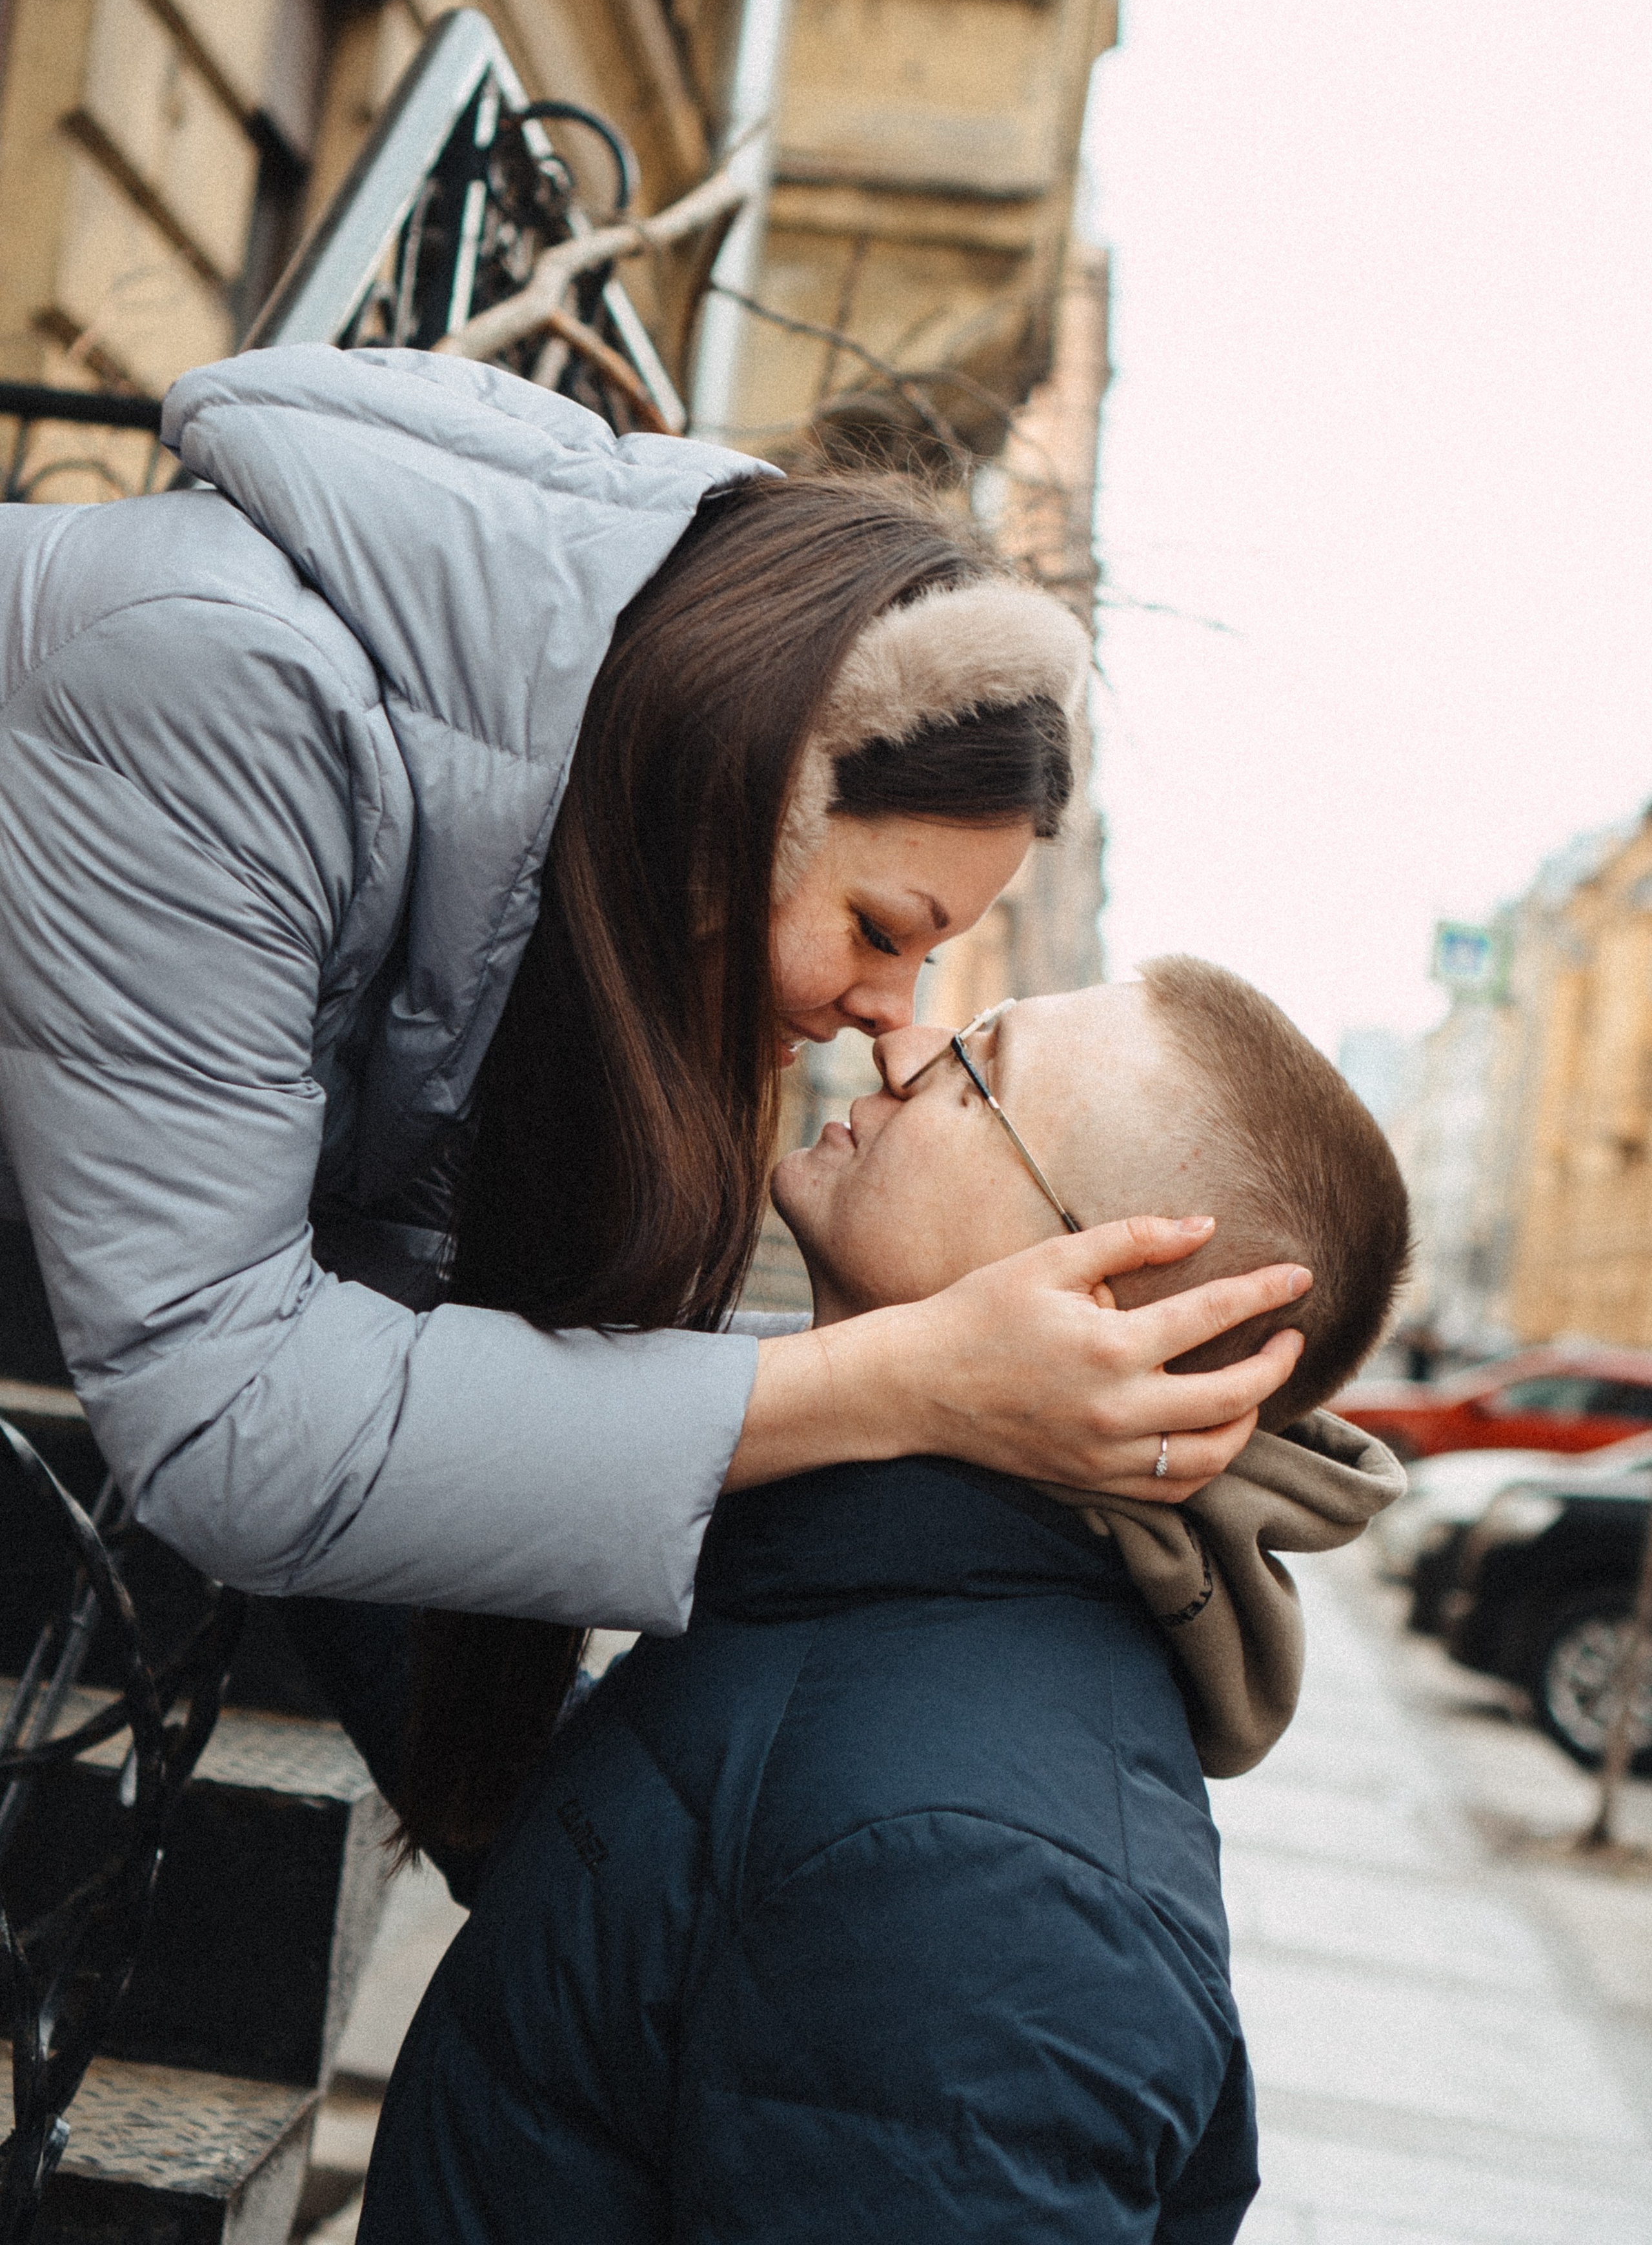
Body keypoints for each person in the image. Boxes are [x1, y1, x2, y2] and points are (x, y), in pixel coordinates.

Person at [0, 345, 1307, 1833]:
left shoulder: (511, 853)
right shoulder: (224, 690)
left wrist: (544, 1874)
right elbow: (232, 1418)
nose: (890, 1024)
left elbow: (407, 1352)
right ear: (734, 783)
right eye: (880, 933)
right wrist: (905, 1379)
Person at [358, 960, 1410, 2243]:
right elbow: (623, 1893)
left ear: (1096, 1309)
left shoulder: (984, 1885)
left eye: (977, 1069)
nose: (899, 1048)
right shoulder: (855, 1589)